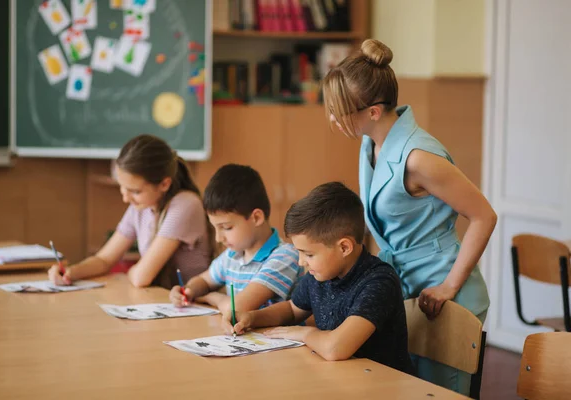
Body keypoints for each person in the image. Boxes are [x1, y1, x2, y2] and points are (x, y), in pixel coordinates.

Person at [321, 38, 497, 394]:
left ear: (373, 111)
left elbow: (484, 216)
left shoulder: (418, 157)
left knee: (435, 394)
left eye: (340, 111)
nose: (333, 119)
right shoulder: (371, 142)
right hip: (404, 287)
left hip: (444, 294)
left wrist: (449, 286)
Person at [222, 182, 414, 374]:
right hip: (338, 378)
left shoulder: (378, 281)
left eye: (308, 254)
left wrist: (305, 333)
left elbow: (335, 348)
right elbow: (291, 309)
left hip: (381, 384)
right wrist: (252, 317)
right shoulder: (321, 274)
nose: (301, 262)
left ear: (344, 247)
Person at [48, 134, 212, 289]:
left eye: (135, 191)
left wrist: (131, 272)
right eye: (122, 188)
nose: (126, 198)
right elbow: (104, 259)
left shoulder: (185, 204)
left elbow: (142, 277)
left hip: (193, 306)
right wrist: (71, 272)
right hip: (161, 301)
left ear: (164, 184)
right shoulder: (141, 207)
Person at [169, 164, 302, 314]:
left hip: (274, 337)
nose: (219, 238)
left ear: (256, 217)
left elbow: (236, 308)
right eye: (215, 228)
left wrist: (209, 297)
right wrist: (188, 291)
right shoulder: (233, 255)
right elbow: (204, 280)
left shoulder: (284, 256)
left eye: (226, 228)